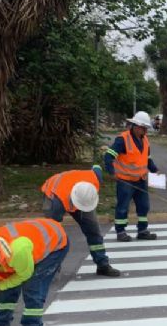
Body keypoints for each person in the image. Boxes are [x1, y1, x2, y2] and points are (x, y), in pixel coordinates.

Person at [0, 218, 69, 326]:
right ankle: (0, 325)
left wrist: (1, 286)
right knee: (6, 288)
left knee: (33, 288)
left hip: (55, 244)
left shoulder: (17, 251)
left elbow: (24, 275)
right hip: (33, 238)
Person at [41, 165, 120, 277]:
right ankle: (51, 268)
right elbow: (54, 233)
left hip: (80, 194)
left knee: (94, 231)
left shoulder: (93, 182)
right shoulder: (56, 201)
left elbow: (97, 167)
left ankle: (102, 265)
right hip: (54, 193)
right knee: (54, 235)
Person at [105, 111, 159, 242]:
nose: (146, 131)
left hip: (141, 180)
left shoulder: (145, 140)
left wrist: (154, 169)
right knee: (123, 207)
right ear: (136, 126)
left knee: (144, 206)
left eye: (146, 128)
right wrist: (111, 172)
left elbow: (147, 158)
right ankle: (121, 231)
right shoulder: (122, 140)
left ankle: (142, 230)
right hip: (125, 181)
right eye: (144, 128)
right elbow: (108, 156)